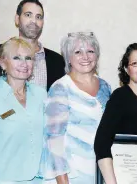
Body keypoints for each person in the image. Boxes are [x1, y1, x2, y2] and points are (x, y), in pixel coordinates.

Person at [42, 32, 111, 184]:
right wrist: (63, 181)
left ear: (97, 55)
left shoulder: (105, 87)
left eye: (90, 51)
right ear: (68, 58)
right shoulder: (60, 88)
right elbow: (53, 141)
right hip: (70, 177)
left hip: (99, 173)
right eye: (78, 52)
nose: (85, 57)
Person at [0, 37, 46, 184]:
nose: (24, 63)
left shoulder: (42, 95)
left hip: (40, 180)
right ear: (2, 63)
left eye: (28, 58)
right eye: (16, 57)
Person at [94, 43, 137, 184]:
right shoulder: (119, 97)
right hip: (123, 176)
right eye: (134, 63)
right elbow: (101, 144)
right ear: (126, 69)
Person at [0, 0, 65, 92]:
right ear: (17, 19)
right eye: (28, 15)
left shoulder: (58, 61)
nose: (34, 21)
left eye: (38, 17)